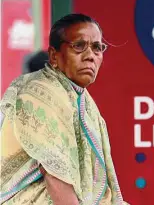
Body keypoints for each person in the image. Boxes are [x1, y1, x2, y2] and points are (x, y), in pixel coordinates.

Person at [0, 14, 129, 205]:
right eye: (79, 46)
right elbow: (56, 176)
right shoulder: (38, 93)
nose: (90, 56)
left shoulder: (82, 101)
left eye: (97, 48)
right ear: (54, 56)